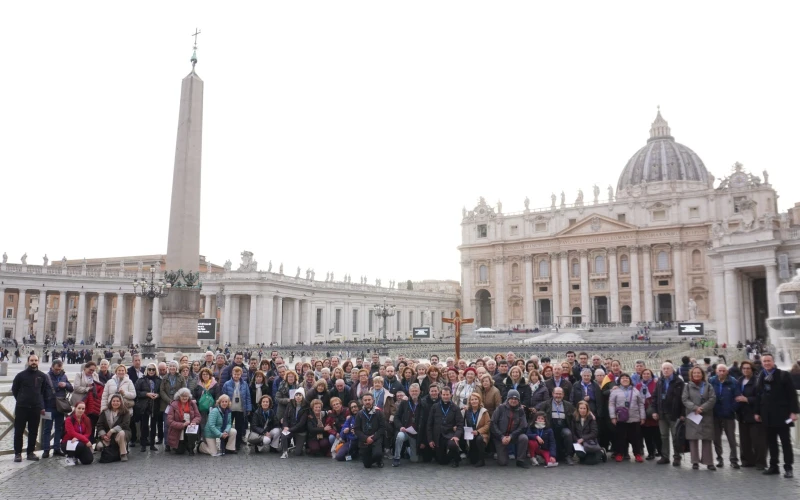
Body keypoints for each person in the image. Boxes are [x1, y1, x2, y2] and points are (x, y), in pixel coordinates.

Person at [755, 353, 799, 478]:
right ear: (762, 363)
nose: (767, 363)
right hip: (767, 415)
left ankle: (788, 467)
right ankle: (774, 466)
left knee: (785, 442)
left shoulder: (783, 375)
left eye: (769, 361)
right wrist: (757, 412)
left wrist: (793, 412)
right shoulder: (761, 376)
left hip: (782, 414)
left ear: (773, 362)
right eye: (764, 361)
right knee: (771, 442)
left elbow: (792, 394)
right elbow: (759, 395)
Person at [11, 354, 51, 462]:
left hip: (35, 408)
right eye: (32, 360)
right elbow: (15, 390)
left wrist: (38, 402)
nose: (34, 362)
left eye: (36, 360)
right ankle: (18, 453)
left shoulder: (42, 376)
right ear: (28, 361)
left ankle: (30, 452)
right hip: (22, 407)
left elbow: (42, 391)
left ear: (38, 362)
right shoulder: (20, 375)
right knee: (19, 431)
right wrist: (21, 399)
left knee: (33, 431)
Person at [650, 361, 685, 466]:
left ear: (672, 370)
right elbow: (655, 397)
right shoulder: (659, 381)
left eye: (667, 368)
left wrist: (683, 413)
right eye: (664, 368)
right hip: (662, 413)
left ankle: (677, 457)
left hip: (674, 413)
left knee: (676, 436)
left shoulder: (679, 382)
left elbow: (683, 399)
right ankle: (665, 456)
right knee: (664, 436)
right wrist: (654, 411)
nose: (665, 370)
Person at [682, 366, 717, 470]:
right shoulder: (687, 386)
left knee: (707, 438)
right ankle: (695, 461)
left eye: (698, 373)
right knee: (693, 439)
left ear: (702, 374)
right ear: (691, 375)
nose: (696, 375)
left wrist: (702, 408)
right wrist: (695, 408)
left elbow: (712, 398)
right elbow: (684, 399)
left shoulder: (708, 385)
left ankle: (708, 461)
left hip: (706, 414)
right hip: (693, 415)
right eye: (694, 373)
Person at [608, 373, 646, 462]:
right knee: (620, 437)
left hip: (634, 417)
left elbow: (641, 404)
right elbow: (611, 404)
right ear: (619, 381)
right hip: (620, 418)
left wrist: (642, 417)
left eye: (627, 378)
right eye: (623, 378)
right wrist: (613, 417)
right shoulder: (615, 391)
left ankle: (637, 454)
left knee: (636, 438)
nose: (625, 380)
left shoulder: (636, 390)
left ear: (630, 380)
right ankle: (620, 453)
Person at [709, 363, 741, 469]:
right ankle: (719, 458)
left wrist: (732, 409)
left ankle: (734, 459)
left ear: (727, 371)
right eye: (720, 370)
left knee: (731, 438)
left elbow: (738, 397)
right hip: (715, 414)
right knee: (716, 438)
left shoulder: (733, 382)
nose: (722, 372)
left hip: (728, 415)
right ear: (716, 371)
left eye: (724, 370)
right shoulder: (711, 381)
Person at [736, 360, 767, 470]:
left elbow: (761, 398)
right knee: (744, 440)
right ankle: (747, 461)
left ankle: (760, 462)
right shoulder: (739, 380)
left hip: (754, 414)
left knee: (758, 441)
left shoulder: (757, 381)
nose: (745, 370)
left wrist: (747, 399)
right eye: (744, 368)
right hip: (742, 414)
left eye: (748, 368)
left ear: (752, 369)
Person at [535, 387, 575, 464]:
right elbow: (540, 415)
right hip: (550, 426)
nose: (558, 396)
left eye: (560, 394)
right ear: (553, 394)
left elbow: (576, 415)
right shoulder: (545, 404)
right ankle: (547, 455)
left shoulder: (568, 405)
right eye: (556, 393)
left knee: (568, 433)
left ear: (563, 395)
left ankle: (568, 456)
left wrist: (590, 414)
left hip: (563, 426)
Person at [426, 385, 464, 468]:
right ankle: (450, 456)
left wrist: (456, 436)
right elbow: (429, 424)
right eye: (444, 395)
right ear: (440, 395)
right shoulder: (435, 407)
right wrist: (430, 439)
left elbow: (460, 424)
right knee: (442, 461)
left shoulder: (455, 408)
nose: (445, 396)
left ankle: (456, 459)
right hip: (438, 435)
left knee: (452, 444)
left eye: (447, 395)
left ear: (451, 395)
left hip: (450, 434)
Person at [490, 389, 529, 468]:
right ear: (508, 399)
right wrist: (501, 437)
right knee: (503, 462)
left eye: (516, 399)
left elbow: (523, 426)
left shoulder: (521, 411)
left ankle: (520, 460)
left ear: (518, 400)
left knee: (524, 438)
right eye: (511, 398)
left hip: (513, 436)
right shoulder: (500, 408)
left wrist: (511, 436)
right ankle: (501, 454)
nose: (513, 401)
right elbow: (493, 423)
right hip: (500, 437)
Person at [42, 359, 73, 458]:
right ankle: (46, 450)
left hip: (60, 407)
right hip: (48, 407)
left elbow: (71, 388)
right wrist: (42, 407)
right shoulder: (46, 377)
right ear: (52, 367)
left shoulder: (64, 376)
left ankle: (57, 448)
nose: (58, 371)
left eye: (59, 369)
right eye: (56, 369)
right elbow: (41, 393)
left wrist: (66, 385)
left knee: (59, 428)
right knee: (47, 429)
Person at [393, 383, 423, 466]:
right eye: (412, 391)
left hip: (415, 434)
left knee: (414, 460)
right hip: (405, 431)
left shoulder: (423, 404)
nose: (414, 393)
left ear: (419, 392)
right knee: (399, 436)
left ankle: (409, 449)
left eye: (416, 391)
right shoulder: (404, 403)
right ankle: (397, 457)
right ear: (409, 392)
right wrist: (400, 426)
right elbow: (396, 417)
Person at [159, 361, 186, 451]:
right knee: (167, 424)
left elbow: (184, 390)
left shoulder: (181, 377)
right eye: (170, 366)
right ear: (168, 367)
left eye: (174, 366)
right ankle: (167, 443)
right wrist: (169, 400)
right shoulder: (165, 378)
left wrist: (177, 400)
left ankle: (175, 443)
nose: (172, 368)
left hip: (178, 403)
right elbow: (161, 391)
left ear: (177, 367)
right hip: (166, 404)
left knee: (176, 424)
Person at [96, 394, 132, 462]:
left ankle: (123, 454)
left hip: (121, 433)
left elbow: (125, 424)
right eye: (114, 401)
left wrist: (112, 430)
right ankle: (114, 451)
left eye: (117, 401)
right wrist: (103, 435)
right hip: (107, 435)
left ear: (121, 402)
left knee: (121, 433)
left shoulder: (125, 412)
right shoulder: (104, 412)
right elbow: (99, 424)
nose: (115, 403)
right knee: (99, 446)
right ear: (111, 402)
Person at [134, 362, 161, 452]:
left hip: (155, 405)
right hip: (144, 405)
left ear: (155, 370)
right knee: (144, 426)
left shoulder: (159, 380)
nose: (151, 371)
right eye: (149, 369)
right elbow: (136, 392)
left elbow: (162, 392)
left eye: (153, 369)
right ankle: (143, 444)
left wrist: (158, 395)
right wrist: (146, 394)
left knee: (154, 426)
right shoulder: (141, 380)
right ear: (146, 370)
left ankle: (152, 444)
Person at [355, 392, 386, 468]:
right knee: (367, 465)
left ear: (373, 400)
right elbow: (357, 430)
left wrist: (373, 438)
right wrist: (366, 438)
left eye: (369, 400)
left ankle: (379, 460)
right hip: (364, 440)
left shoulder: (379, 412)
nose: (367, 402)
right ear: (362, 401)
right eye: (365, 400)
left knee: (377, 454)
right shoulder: (359, 414)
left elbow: (383, 428)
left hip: (376, 438)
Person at [635, 368, 661, 460]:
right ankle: (651, 453)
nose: (646, 375)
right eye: (644, 374)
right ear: (641, 375)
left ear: (651, 375)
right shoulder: (638, 386)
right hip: (642, 412)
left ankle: (661, 452)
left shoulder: (656, 384)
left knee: (657, 434)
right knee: (647, 435)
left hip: (653, 412)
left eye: (648, 374)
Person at [462, 392, 490, 467]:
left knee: (479, 439)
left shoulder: (484, 411)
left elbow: (488, 425)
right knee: (473, 460)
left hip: (481, 435)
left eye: (476, 399)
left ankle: (482, 460)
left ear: (479, 400)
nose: (474, 401)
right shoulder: (467, 411)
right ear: (470, 401)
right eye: (472, 400)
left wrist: (478, 431)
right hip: (470, 434)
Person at [280, 387, 309, 458]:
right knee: (283, 434)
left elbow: (301, 423)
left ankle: (299, 446)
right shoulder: (290, 405)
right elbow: (285, 417)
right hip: (290, 428)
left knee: (298, 453)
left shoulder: (306, 407)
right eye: (296, 395)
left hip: (300, 431)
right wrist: (285, 426)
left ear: (303, 396)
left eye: (300, 395)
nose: (298, 397)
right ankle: (285, 451)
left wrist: (289, 429)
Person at [62, 401, 93, 465]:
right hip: (68, 442)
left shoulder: (87, 419)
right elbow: (71, 433)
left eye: (83, 409)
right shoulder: (69, 419)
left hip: (80, 441)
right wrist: (86, 440)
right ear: (75, 408)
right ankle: (70, 457)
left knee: (88, 460)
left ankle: (77, 456)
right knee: (80, 445)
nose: (81, 410)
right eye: (79, 408)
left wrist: (79, 438)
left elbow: (88, 433)